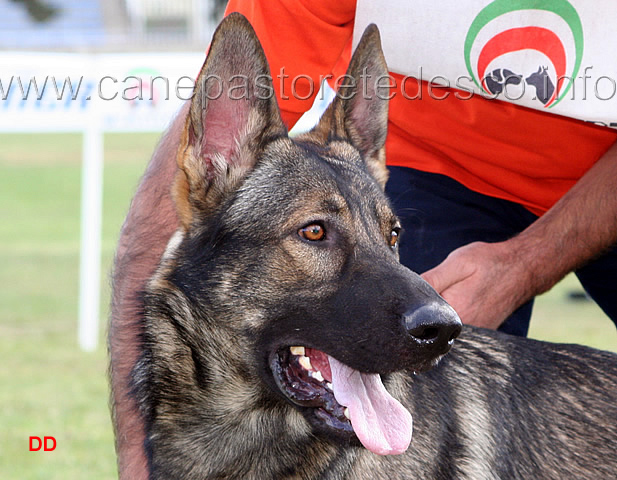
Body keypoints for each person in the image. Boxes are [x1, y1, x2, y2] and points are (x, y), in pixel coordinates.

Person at [109, 1, 617, 477]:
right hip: (446, 162)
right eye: (315, 233)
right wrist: (139, 464)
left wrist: (525, 262)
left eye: (387, 235)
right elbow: (153, 230)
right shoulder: (231, 172)